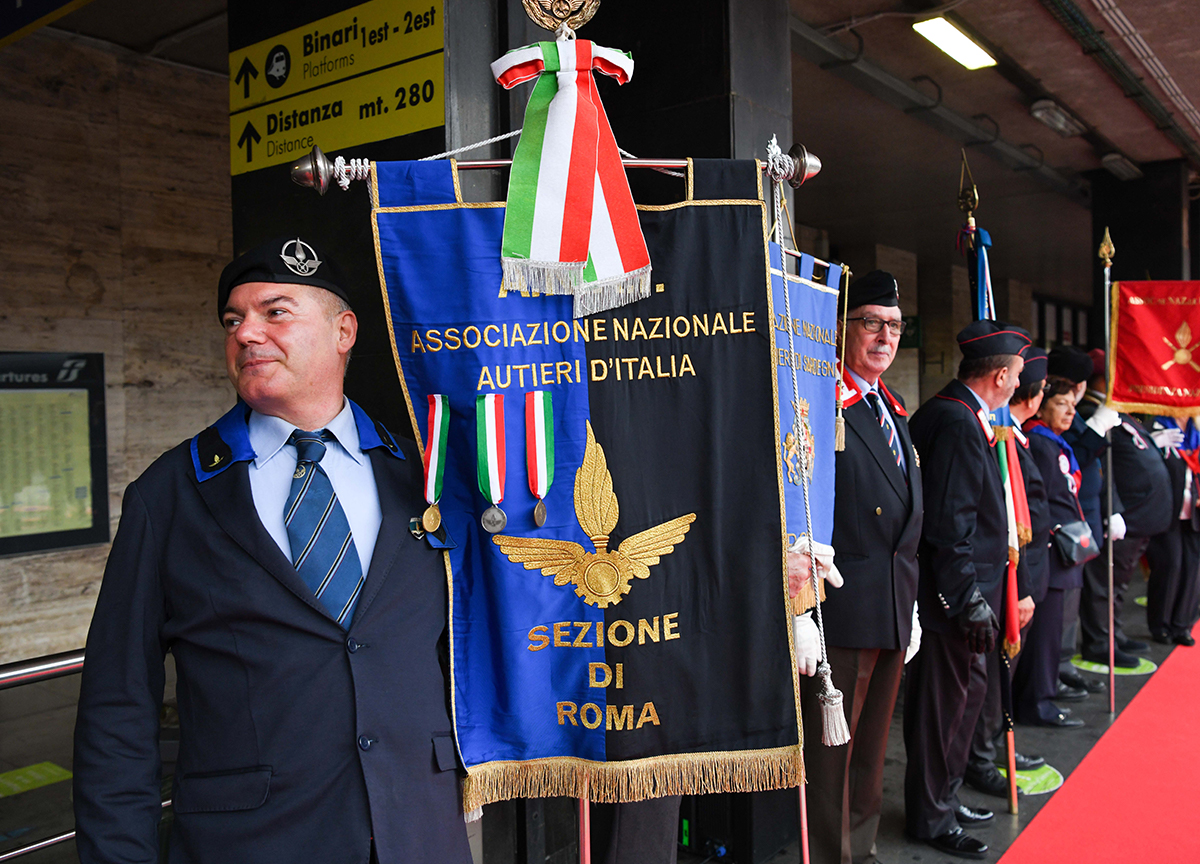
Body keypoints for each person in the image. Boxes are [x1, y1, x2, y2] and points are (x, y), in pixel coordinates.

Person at [73, 237, 472, 864]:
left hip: (417, 834)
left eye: (274, 312)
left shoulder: (424, 474)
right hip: (250, 844)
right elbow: (117, 705)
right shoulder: (170, 495)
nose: (247, 334)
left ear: (344, 330)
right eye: (234, 320)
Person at [796, 270, 923, 864]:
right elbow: (801, 505)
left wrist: (912, 602)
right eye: (871, 322)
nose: (884, 336)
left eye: (894, 325)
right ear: (843, 328)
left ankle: (863, 849)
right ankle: (830, 856)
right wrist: (800, 607)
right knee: (832, 759)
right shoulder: (821, 403)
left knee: (872, 750)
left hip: (893, 607)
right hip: (841, 612)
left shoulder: (892, 410)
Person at [905, 320, 1030, 860]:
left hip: (966, 597)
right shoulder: (955, 421)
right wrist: (967, 602)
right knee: (943, 712)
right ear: (1002, 376)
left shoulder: (960, 414)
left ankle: (945, 802)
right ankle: (931, 818)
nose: (1020, 381)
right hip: (953, 602)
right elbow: (949, 526)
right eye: (1020, 373)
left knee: (961, 705)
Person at [963, 350, 1051, 796]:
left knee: (1000, 679)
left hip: (1018, 577)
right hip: (1000, 580)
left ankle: (996, 745)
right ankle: (983, 756)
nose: (1017, 386)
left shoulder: (1010, 437)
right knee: (990, 679)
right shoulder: (999, 437)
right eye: (1016, 376)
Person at [1077, 376, 1172, 667]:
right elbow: (1102, 466)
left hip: (1139, 517)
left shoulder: (1119, 410)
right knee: (1104, 585)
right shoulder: (1090, 411)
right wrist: (1113, 509)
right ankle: (1100, 643)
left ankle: (1113, 635)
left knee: (1118, 585)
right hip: (1124, 513)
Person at [1014, 377, 1092, 727]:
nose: (1070, 411)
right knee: (1045, 635)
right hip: (1051, 550)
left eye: (1073, 405)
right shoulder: (1042, 444)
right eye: (1062, 403)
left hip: (1063, 551)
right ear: (1042, 404)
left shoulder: (1054, 442)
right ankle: (1037, 701)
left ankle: (1045, 690)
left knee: (1053, 631)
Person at [1060, 351, 1119, 690]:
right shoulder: (1073, 415)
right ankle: (1056, 668)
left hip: (1088, 516)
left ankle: (1064, 664)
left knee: (1076, 598)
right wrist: (1096, 428)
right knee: (1068, 602)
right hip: (1070, 520)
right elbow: (1073, 461)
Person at [1144, 415, 1200, 646]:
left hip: (1194, 512)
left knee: (1192, 568)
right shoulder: (1157, 426)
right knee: (1170, 565)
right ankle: (1161, 624)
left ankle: (1182, 625)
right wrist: (1155, 444)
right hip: (1168, 510)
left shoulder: (1196, 432)